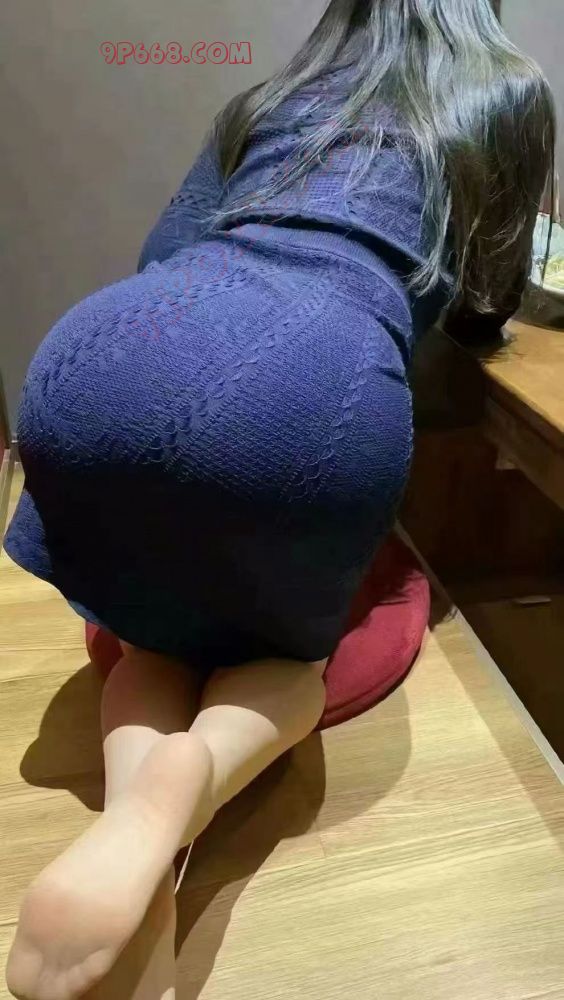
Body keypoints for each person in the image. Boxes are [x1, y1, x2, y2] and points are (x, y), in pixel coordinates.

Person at [4, 1, 555, 998]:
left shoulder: (271, 98)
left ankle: (132, 817)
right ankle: (194, 781)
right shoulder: (506, 94)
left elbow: (161, 251)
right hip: (314, 378)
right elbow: (489, 298)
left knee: (150, 639)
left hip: (108, 350)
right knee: (286, 664)